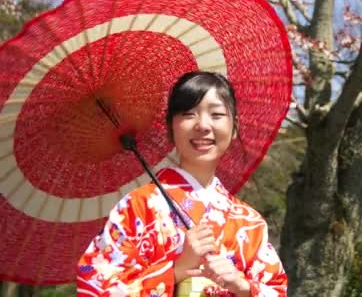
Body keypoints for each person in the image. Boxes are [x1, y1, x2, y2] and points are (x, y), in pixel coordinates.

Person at [77, 71, 287, 297]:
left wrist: (243, 286)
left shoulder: (250, 223)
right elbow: (95, 289)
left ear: (234, 126)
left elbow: (276, 289)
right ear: (170, 127)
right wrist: (175, 271)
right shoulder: (137, 208)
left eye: (216, 114)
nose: (203, 125)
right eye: (188, 114)